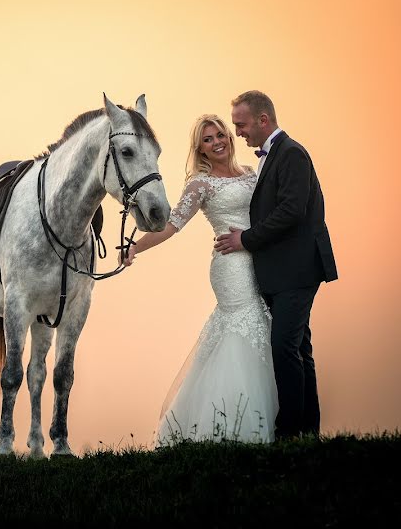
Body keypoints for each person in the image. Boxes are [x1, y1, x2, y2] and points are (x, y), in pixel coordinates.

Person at [123, 114, 278, 444]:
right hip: (231, 267)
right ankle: (230, 428)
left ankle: (267, 423)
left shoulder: (252, 174)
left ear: (230, 138)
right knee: (241, 327)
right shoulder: (200, 184)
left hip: (260, 260)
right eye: (208, 140)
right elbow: (172, 224)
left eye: (220, 134)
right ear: (200, 150)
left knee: (262, 329)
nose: (217, 141)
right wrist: (136, 246)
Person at [215, 90, 337, 439]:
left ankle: (288, 433)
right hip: (282, 270)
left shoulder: (293, 154)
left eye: (241, 125)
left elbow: (291, 211)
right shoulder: (271, 156)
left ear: (263, 120)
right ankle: (308, 432)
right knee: (299, 349)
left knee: (284, 347)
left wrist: (246, 239)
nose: (238, 132)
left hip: (298, 269)